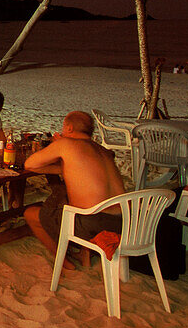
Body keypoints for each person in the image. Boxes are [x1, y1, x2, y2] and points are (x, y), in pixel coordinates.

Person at [23, 111, 126, 270]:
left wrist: (59, 144)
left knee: (30, 214)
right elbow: (78, 172)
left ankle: (64, 262)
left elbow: (29, 164)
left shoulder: (66, 144)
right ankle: (84, 256)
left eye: (64, 127)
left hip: (93, 224)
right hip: (121, 222)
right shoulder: (103, 150)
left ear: (69, 128)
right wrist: (63, 166)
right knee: (74, 203)